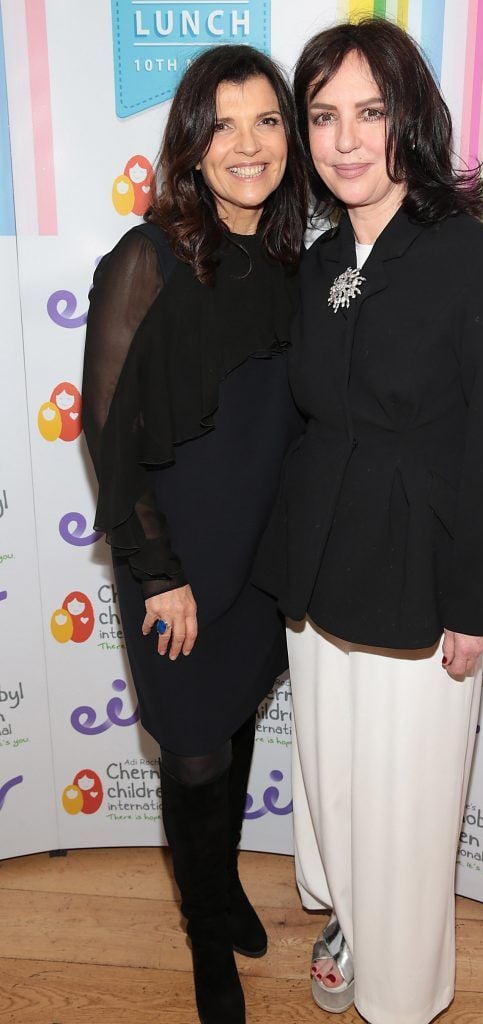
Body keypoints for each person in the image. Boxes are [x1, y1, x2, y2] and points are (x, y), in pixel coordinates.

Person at [253, 18, 483, 1024]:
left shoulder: (475, 262)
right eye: (322, 114)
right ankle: (349, 928)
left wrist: (475, 604)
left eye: (368, 111)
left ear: (406, 117)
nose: (343, 137)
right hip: (321, 571)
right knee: (335, 780)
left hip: (422, 581)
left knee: (408, 805)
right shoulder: (324, 258)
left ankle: (402, 994)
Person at [82, 45, 306, 1024]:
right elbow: (108, 431)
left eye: (266, 121)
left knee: (238, 720)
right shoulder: (145, 260)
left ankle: (222, 886)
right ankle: (204, 936)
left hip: (258, 560)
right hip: (176, 565)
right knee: (194, 752)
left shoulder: (297, 257)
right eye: (224, 124)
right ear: (191, 141)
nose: (247, 144)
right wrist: (156, 572)